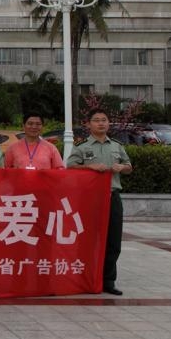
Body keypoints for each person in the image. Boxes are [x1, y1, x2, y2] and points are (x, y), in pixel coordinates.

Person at [66, 108, 133, 296]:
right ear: (89, 124)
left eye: (104, 120)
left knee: (113, 241)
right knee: (88, 239)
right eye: (96, 120)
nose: (101, 123)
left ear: (108, 123)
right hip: (90, 199)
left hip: (112, 197)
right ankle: (85, 277)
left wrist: (122, 167)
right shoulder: (81, 146)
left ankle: (108, 280)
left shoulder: (117, 145)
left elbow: (129, 166)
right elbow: (70, 167)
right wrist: (89, 167)